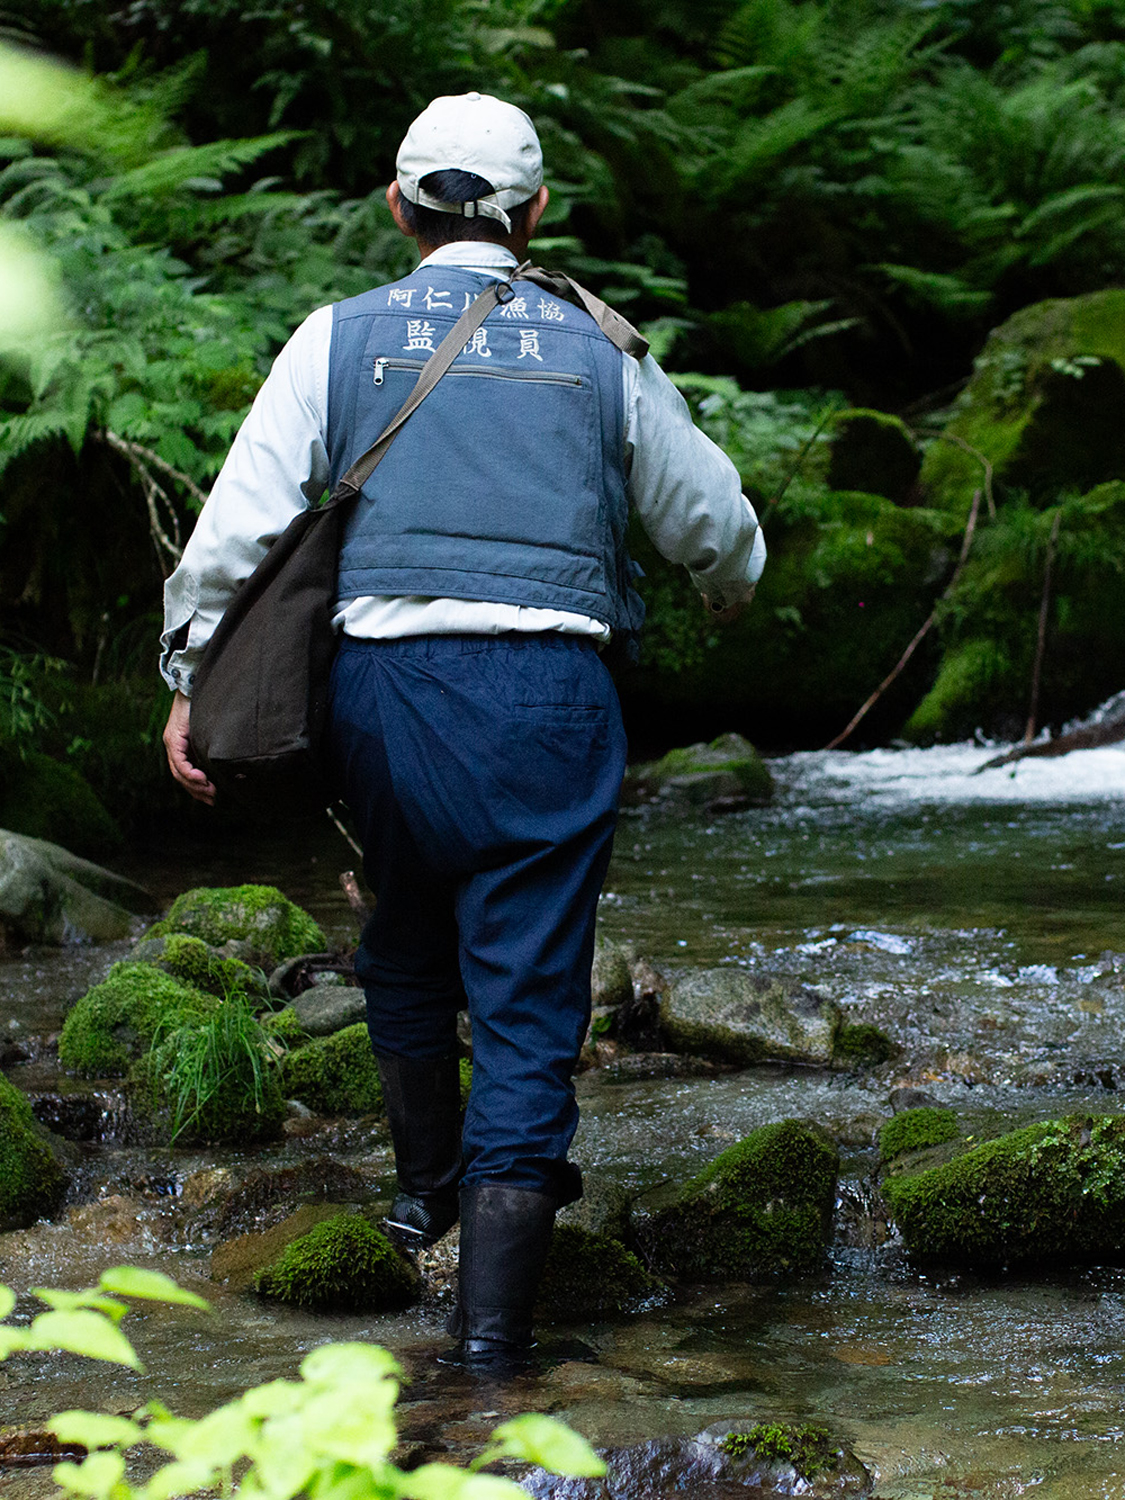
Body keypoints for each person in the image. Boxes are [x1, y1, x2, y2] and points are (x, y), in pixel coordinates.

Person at [161, 91, 765, 1372]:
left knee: (405, 926)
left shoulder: (336, 338)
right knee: (532, 994)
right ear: (536, 212)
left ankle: (422, 1188)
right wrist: (720, 595)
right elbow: (722, 534)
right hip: (549, 696)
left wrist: (186, 677)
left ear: (397, 205)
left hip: (378, 696)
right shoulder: (605, 351)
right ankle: (489, 1346)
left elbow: (237, 532)